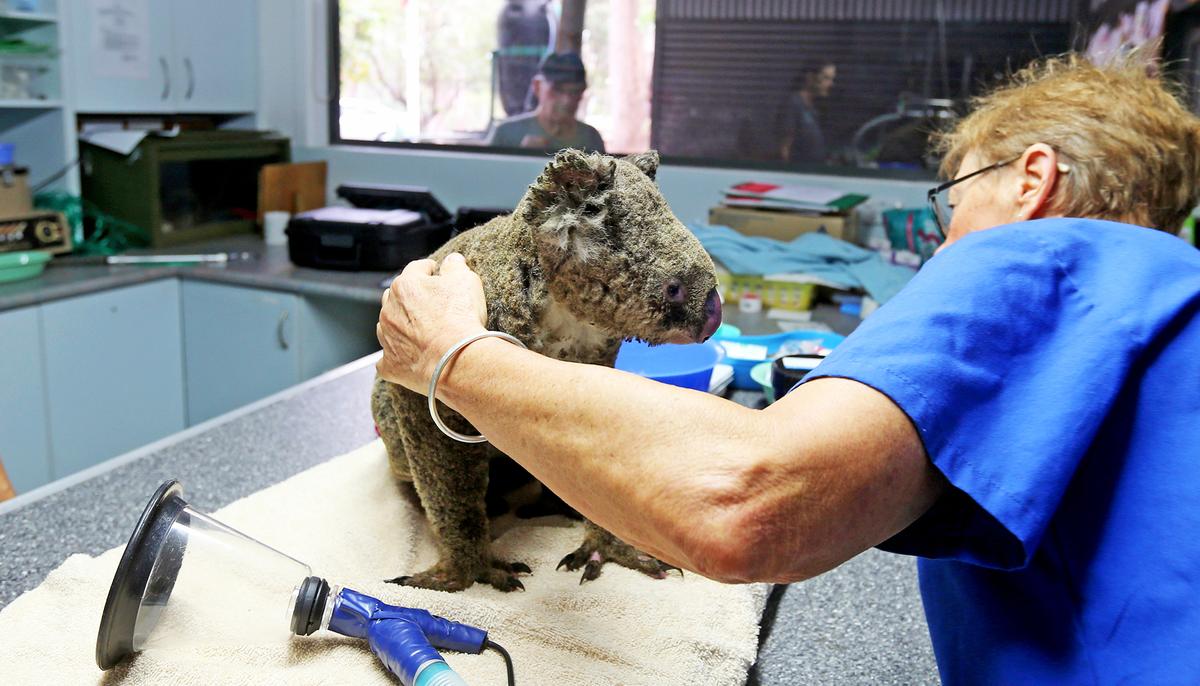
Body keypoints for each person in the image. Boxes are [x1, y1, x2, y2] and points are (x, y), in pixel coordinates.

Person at [377, 53, 1200, 684]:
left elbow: (748, 506)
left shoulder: (1039, 258)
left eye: (954, 199)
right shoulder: (1161, 297)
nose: (948, 242)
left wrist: (454, 356)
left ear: (1032, 179)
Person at [486, 52, 606, 153]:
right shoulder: (507, 134)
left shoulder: (590, 139)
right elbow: (488, 178)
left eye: (575, 92)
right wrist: (522, 156)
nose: (567, 100)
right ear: (537, 86)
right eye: (558, 90)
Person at [778, 60, 836, 163]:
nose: (831, 84)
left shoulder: (815, 108)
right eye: (826, 78)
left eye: (832, 79)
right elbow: (784, 148)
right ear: (810, 78)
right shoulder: (794, 104)